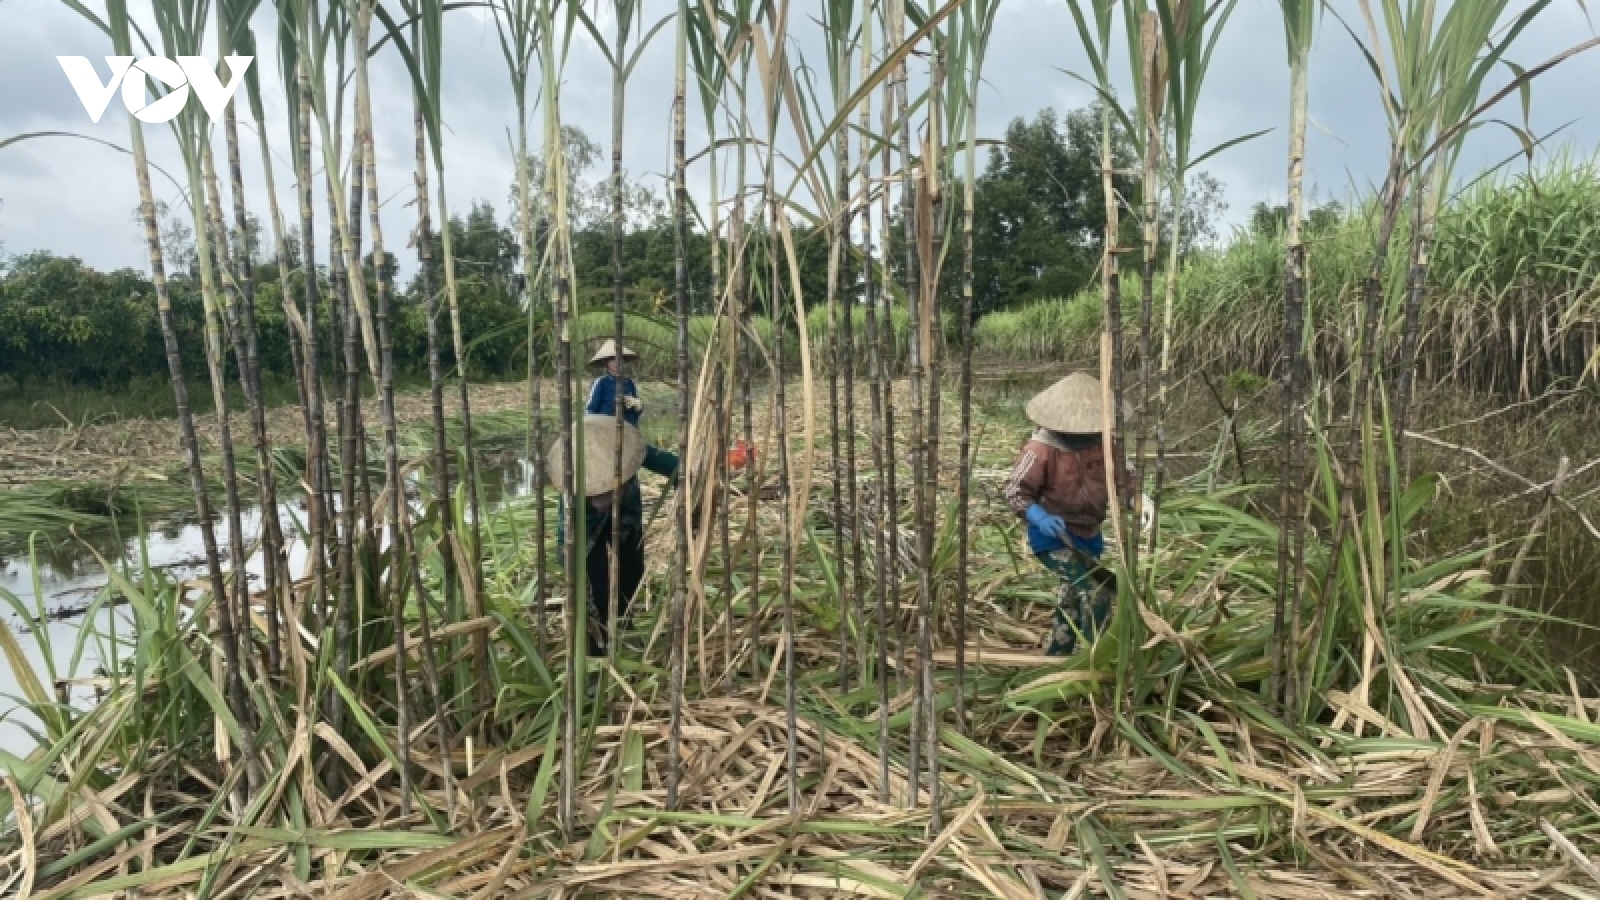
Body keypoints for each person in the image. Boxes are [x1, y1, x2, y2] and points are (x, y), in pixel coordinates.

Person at [1003, 373, 1133, 656]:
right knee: (1097, 594)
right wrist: (1038, 516)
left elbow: (1126, 478)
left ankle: (1058, 654)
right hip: (1053, 537)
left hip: (1089, 535)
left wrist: (1138, 499)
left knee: (1071, 596)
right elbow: (1014, 490)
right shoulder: (1040, 449)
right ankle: (1091, 659)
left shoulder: (1106, 444)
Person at [549, 414, 678, 657]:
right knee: (596, 587)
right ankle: (598, 646)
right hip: (587, 535)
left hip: (625, 521)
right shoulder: (574, 490)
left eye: (612, 489)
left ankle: (624, 619)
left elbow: (675, 467)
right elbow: (566, 547)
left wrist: (691, 488)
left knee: (632, 571)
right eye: (600, 493)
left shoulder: (625, 449)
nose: (606, 496)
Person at [586, 338, 642, 427]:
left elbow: (637, 413)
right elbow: (590, 410)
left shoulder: (629, 382)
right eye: (613, 360)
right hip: (606, 428)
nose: (617, 363)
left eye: (620, 359)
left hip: (628, 428)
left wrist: (637, 406)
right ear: (607, 363)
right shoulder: (601, 382)